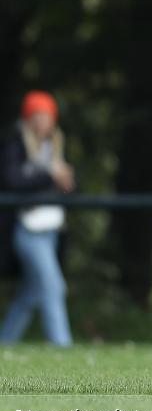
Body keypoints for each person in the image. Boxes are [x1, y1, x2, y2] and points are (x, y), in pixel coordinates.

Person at [0, 91, 75, 346]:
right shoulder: (16, 145)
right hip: (27, 229)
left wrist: (67, 181)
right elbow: (12, 181)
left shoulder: (56, 145)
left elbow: (70, 186)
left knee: (31, 293)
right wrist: (49, 177)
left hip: (53, 228)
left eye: (47, 116)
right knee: (53, 286)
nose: (43, 122)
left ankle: (5, 342)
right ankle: (62, 346)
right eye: (38, 116)